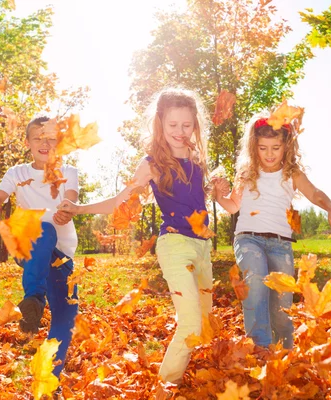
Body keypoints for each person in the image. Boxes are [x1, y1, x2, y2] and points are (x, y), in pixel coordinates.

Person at [59, 88, 212, 385]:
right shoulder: (152, 163)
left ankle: (178, 370)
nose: (180, 132)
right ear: (160, 124)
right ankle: (165, 386)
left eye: (187, 125)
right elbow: (119, 201)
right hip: (174, 244)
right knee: (192, 323)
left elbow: (195, 199)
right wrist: (79, 208)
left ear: (195, 125)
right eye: (172, 126)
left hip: (202, 246)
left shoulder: (196, 157)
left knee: (202, 321)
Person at [0, 115, 131, 378]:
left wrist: (68, 209)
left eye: (50, 137)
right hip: (28, 245)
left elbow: (71, 196)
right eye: (38, 137)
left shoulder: (68, 172)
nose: (44, 142)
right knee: (45, 228)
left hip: (61, 255)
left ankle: (49, 379)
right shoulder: (17, 173)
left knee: (66, 317)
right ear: (27, 142)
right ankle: (34, 299)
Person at [214, 114, 331, 350]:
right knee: (255, 285)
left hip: (280, 244)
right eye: (263, 148)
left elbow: (315, 193)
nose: (269, 154)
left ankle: (285, 352)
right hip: (248, 239)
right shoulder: (245, 173)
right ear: (253, 147)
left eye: (276, 147)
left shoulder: (291, 173)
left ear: (286, 146)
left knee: (281, 304)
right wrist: (218, 196)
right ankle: (261, 349)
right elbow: (233, 205)